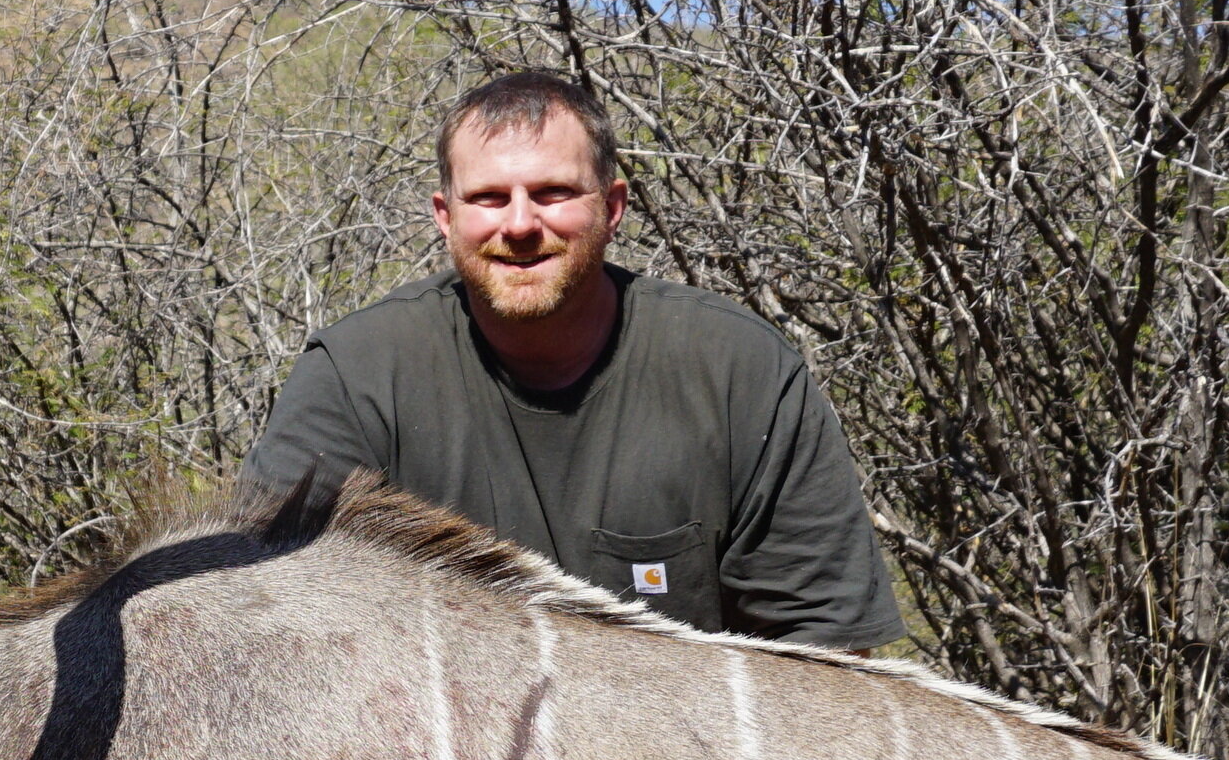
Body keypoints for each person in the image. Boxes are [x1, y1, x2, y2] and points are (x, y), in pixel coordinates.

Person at [243, 70, 904, 649]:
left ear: (612, 208)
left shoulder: (738, 369)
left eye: (554, 193)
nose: (521, 224)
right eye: (490, 198)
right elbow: (259, 607)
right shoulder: (357, 374)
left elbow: (828, 653)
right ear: (446, 218)